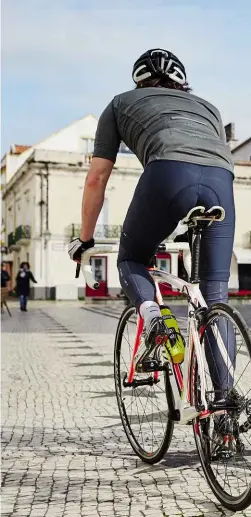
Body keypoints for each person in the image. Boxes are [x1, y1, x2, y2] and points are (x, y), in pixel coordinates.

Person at [68, 48, 235, 402]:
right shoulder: (209, 108)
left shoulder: (119, 104)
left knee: (131, 258)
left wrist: (84, 240)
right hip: (222, 180)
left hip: (167, 175)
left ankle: (154, 318)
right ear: (181, 81)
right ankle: (224, 410)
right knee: (214, 293)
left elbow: (97, 178)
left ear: (139, 81)